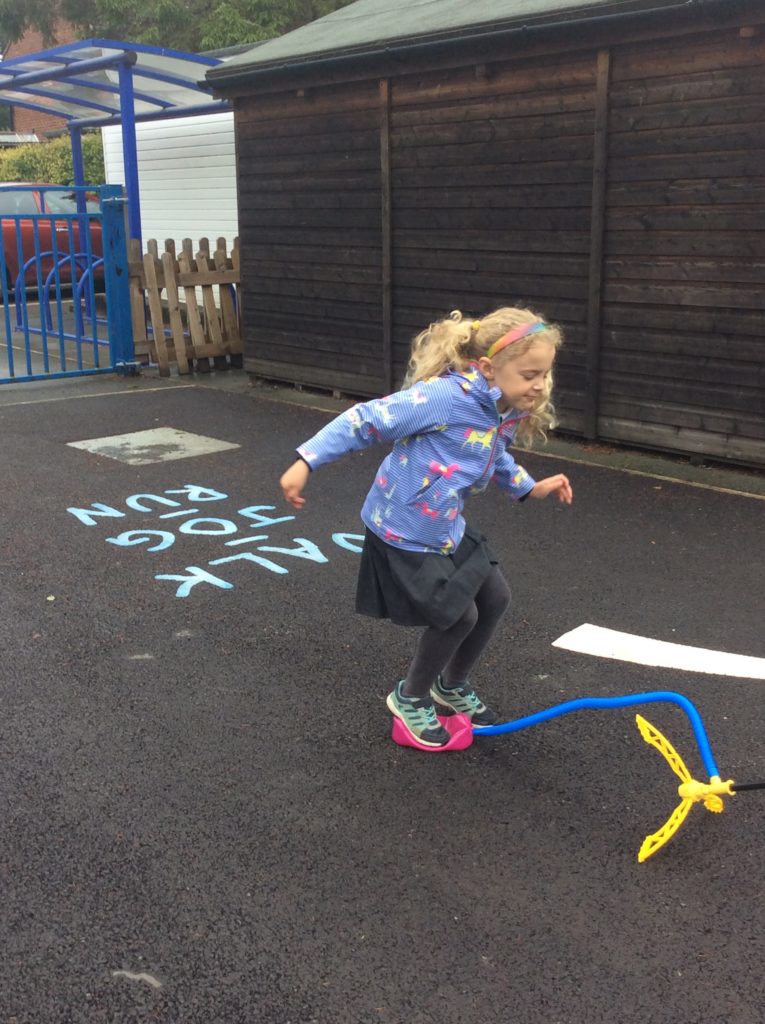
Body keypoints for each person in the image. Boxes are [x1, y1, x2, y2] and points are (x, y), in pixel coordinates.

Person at [280, 307, 573, 747]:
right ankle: (410, 696)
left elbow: (492, 454)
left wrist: (530, 487)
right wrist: (306, 461)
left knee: (495, 597)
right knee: (457, 615)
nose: (539, 385)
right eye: (530, 374)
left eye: (544, 374)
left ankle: (449, 686)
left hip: (443, 523)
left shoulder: (503, 408)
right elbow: (366, 419)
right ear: (488, 368)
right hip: (404, 526)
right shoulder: (445, 398)